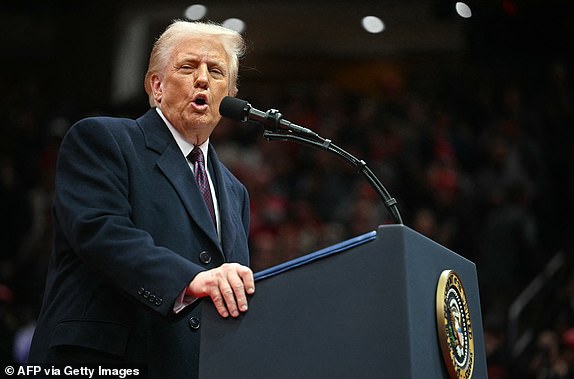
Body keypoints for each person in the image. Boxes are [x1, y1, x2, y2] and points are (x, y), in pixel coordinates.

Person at [28, 20, 255, 378]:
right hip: (103, 362)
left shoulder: (235, 191)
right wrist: (189, 278)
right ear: (156, 85)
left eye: (216, 71)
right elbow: (101, 232)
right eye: (187, 67)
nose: (203, 80)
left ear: (229, 94)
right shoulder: (103, 139)